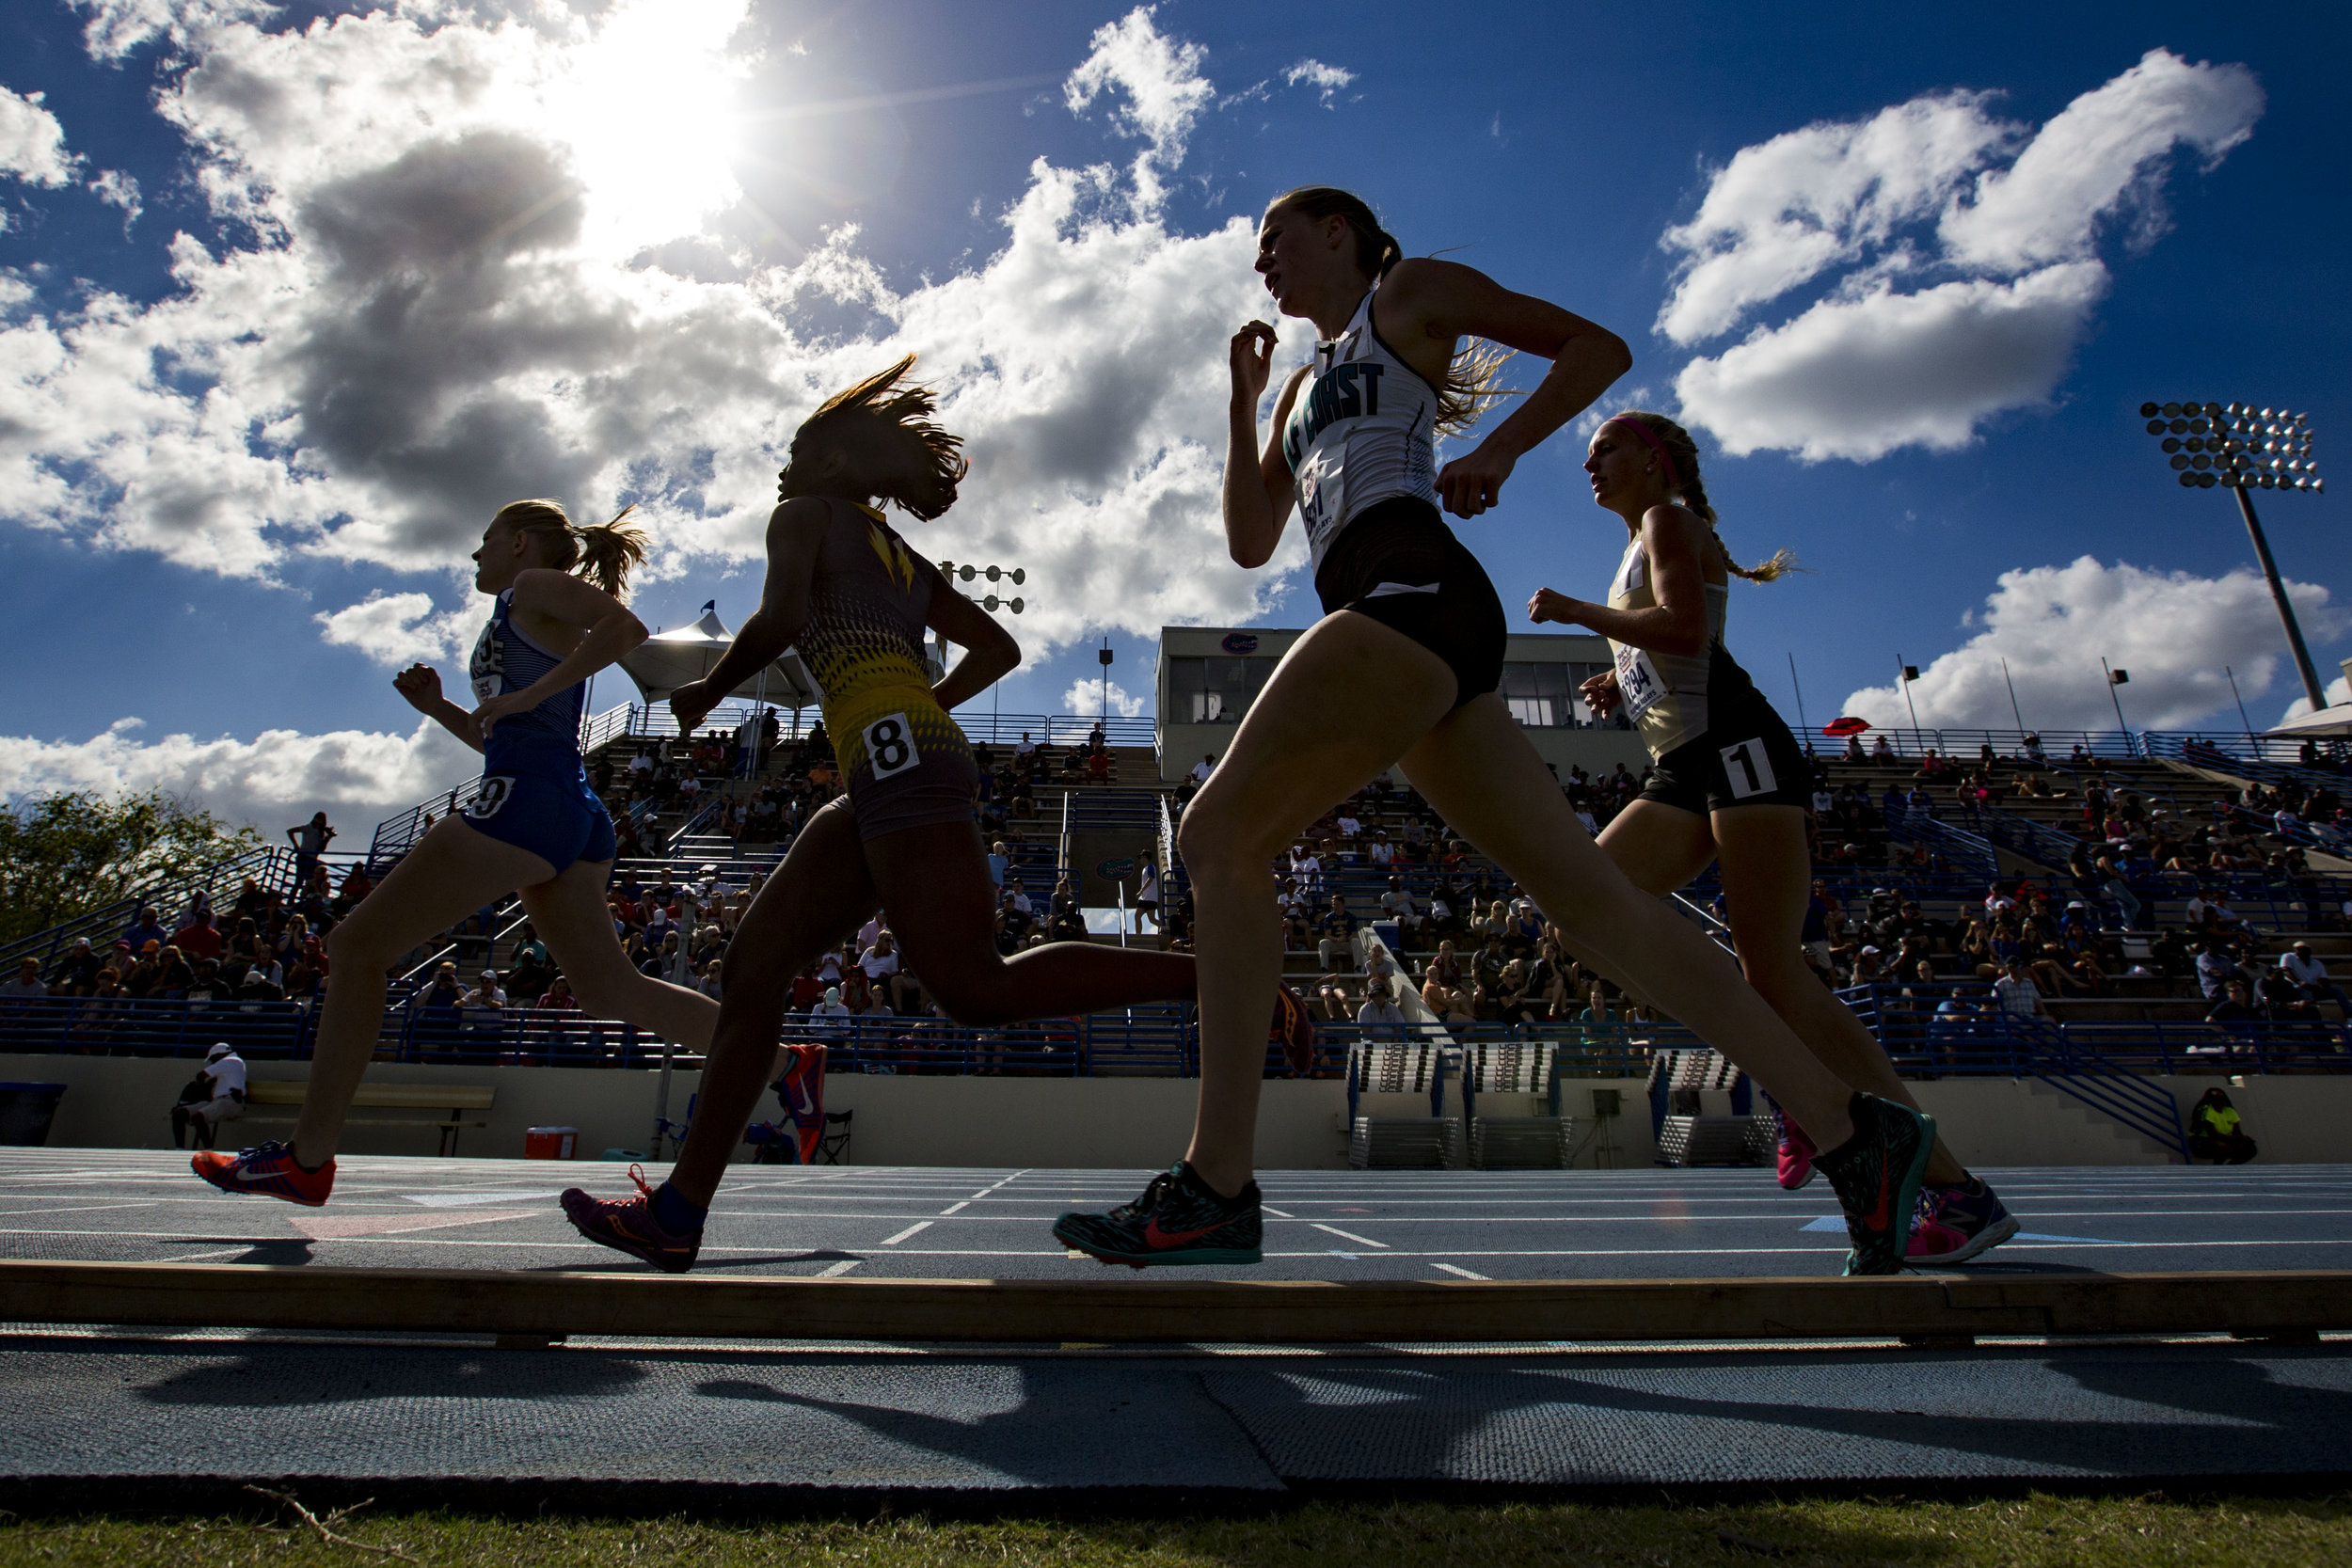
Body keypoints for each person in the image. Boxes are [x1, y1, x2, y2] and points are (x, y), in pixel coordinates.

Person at [1053, 184, 1935, 1277]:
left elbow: (1594, 347)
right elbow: (1247, 538)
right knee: (1593, 903)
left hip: (1412, 586)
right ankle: (1855, 1129)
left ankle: (1217, 1184)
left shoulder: (1406, 296)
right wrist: (1240, 403)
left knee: (1218, 834)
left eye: (1273, 239)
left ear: (1340, 233)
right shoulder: (1294, 385)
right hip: (1398, 622)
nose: (1260, 264)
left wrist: (1507, 448)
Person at [560, 357, 1311, 1271]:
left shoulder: (802, 517)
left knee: (973, 986)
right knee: (753, 969)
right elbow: (998, 644)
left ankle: (1224, 976)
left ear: (834, 464)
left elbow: (783, 615)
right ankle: (678, 1211)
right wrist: (930, 707)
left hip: (898, 759)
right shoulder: (902, 558)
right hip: (897, 760)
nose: (783, 473)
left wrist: (711, 689)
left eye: (797, 455)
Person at [1533, 413, 2015, 1259]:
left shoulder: (1667, 521)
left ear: (1654, 459)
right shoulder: (1639, 546)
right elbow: (1681, 639)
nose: (1588, 463)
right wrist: (1619, 672)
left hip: (1739, 749)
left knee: (1773, 974)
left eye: (1603, 448)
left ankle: (1955, 1186)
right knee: (1578, 907)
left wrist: (1577, 614)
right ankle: (1799, 1085)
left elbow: (1688, 631)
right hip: (1683, 764)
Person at [189, 500, 721, 1206]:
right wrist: (440, 709)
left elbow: (626, 628)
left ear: (519, 542)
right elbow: (508, 732)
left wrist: (530, 689)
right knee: (608, 989)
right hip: (566, 806)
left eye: (484, 540)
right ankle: (781, 1062)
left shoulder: (529, 588)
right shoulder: (520, 611)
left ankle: (306, 1158)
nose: (475, 555)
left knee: (355, 947)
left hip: (528, 798)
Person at [173, 1042, 246, 1151]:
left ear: (219, 1055)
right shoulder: (230, 1065)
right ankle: (179, 1150)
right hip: (218, 1101)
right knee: (179, 1113)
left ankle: (209, 1150)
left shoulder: (231, 1061)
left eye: (213, 1059)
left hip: (230, 1102)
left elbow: (201, 1075)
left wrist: (200, 1086)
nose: (212, 1062)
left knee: (198, 1117)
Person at [2188, 1087, 2257, 1164]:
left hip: (2223, 1139)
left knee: (2251, 1149)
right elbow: (2213, 1135)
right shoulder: (2206, 1111)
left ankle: (2231, 1168)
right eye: (2216, 1100)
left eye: (2222, 1099)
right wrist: (2238, 1138)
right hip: (2200, 1141)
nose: (2220, 1102)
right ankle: (2217, 1170)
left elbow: (2237, 1132)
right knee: (2224, 1147)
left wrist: (2244, 1140)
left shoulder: (2230, 1111)